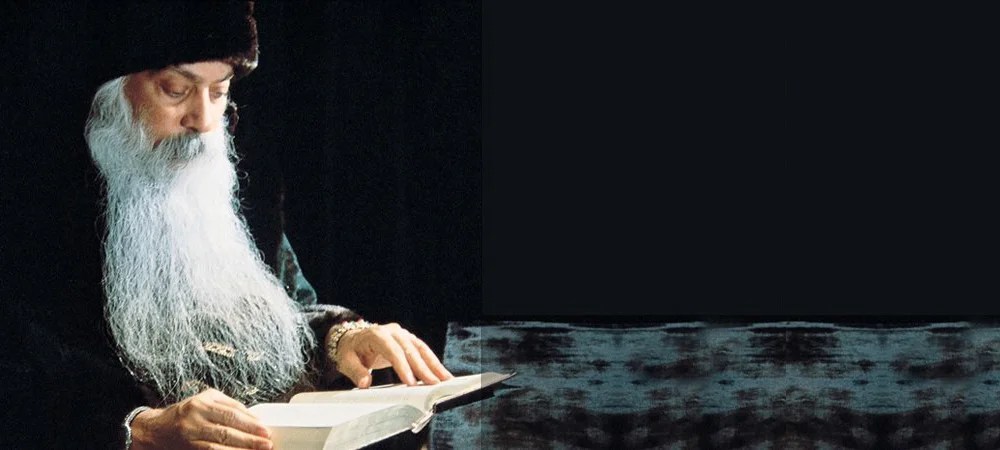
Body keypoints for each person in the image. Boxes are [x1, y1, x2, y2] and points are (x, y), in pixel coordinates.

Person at [3, 2, 451, 449]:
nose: (202, 120)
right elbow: (22, 384)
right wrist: (137, 428)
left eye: (219, 92)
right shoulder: (35, 209)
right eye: (176, 90)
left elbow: (281, 317)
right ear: (112, 94)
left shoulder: (238, 193)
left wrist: (342, 338)